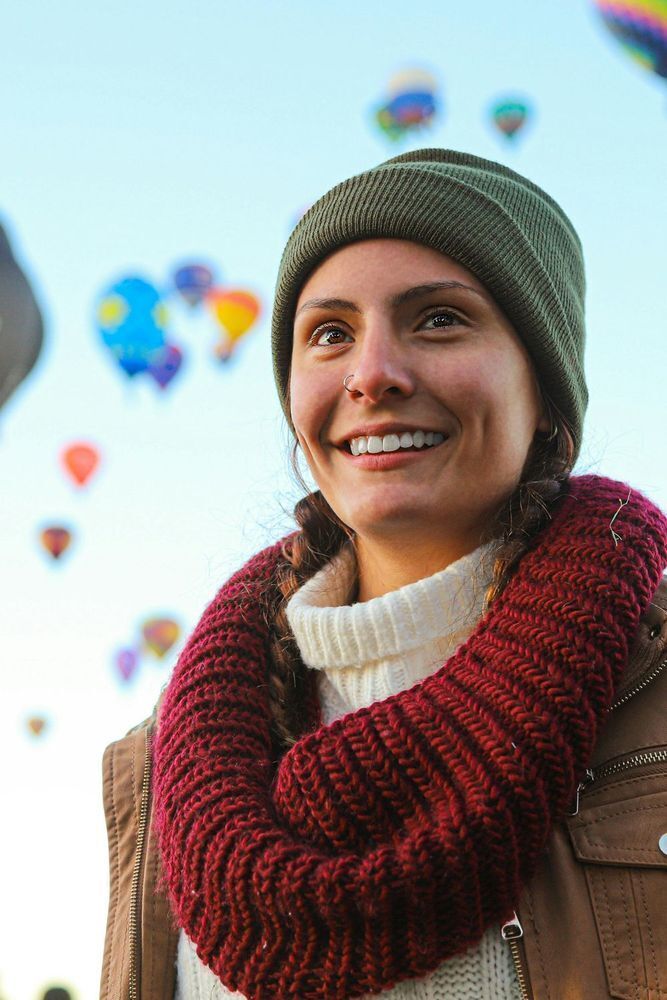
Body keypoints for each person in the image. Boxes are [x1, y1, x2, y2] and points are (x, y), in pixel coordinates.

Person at [99, 149, 667, 1000]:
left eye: (439, 320)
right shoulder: (168, 761)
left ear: (545, 392)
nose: (372, 375)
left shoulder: (646, 690)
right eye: (329, 334)